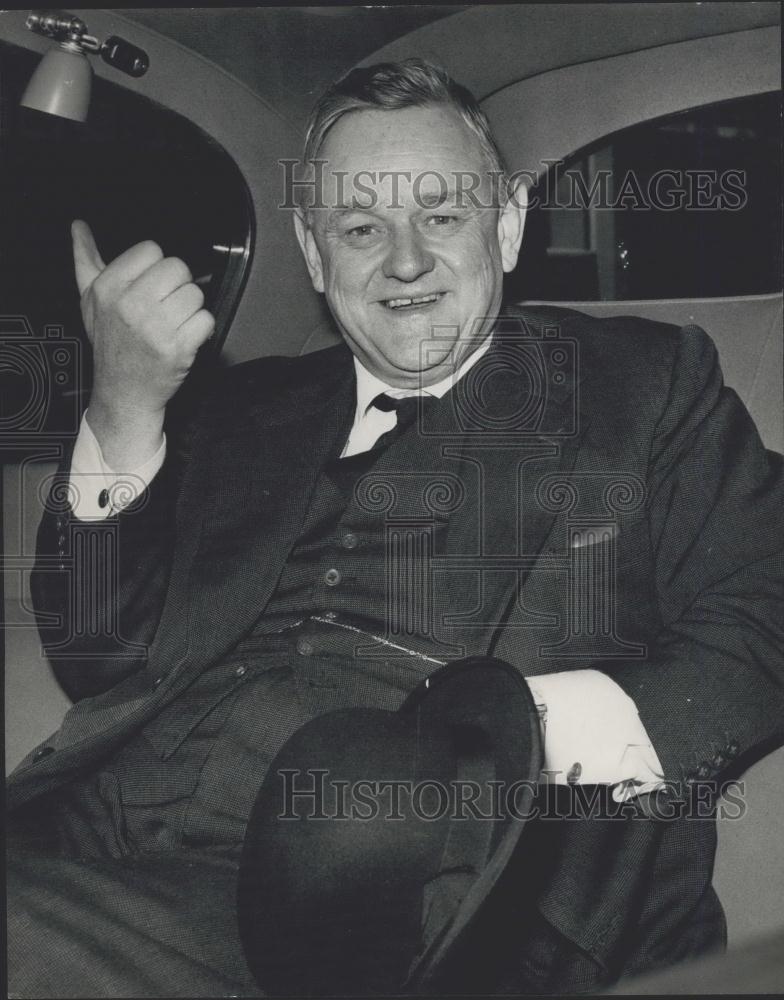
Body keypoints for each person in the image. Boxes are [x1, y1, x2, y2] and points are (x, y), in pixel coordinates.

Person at [7, 59, 784, 997]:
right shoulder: (244, 406)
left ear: (507, 224)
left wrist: (516, 738)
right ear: (311, 249)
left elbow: (767, 606)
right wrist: (126, 406)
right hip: (92, 833)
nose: (406, 261)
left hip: (407, 903)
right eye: (362, 228)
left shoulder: (643, 386)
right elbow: (91, 653)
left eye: (443, 215)